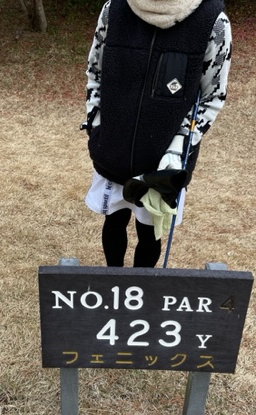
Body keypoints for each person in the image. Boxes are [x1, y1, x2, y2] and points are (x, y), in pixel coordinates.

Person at [81, 0, 232, 267]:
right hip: (112, 150)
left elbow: (213, 96)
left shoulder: (213, 22)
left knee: (150, 232)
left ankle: (142, 290)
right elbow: (96, 71)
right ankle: (113, 283)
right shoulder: (113, 10)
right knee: (113, 220)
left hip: (164, 164)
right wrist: (97, 126)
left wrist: (178, 148)